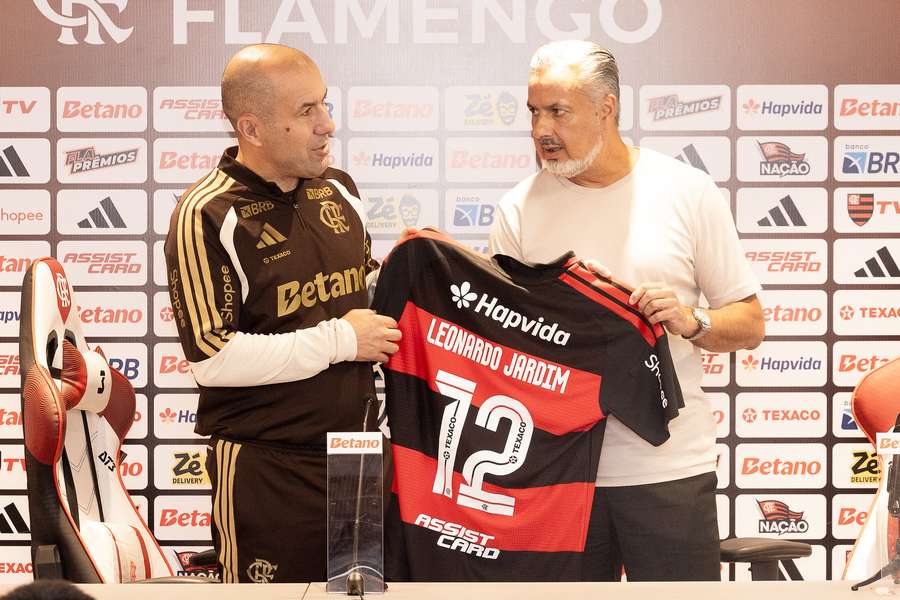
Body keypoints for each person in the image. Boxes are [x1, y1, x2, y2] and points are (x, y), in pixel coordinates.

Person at [489, 40, 765, 581]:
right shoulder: (517, 209)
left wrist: (693, 322)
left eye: (558, 111)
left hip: (668, 469)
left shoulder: (686, 191)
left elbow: (749, 323)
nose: (542, 128)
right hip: (556, 475)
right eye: (534, 111)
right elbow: (501, 354)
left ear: (606, 108)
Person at [164, 43, 401, 583]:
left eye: (324, 104)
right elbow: (211, 358)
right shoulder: (207, 213)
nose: (328, 125)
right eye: (306, 111)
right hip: (266, 466)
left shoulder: (339, 189)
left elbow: (359, 297)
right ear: (252, 128)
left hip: (357, 454)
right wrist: (341, 339)